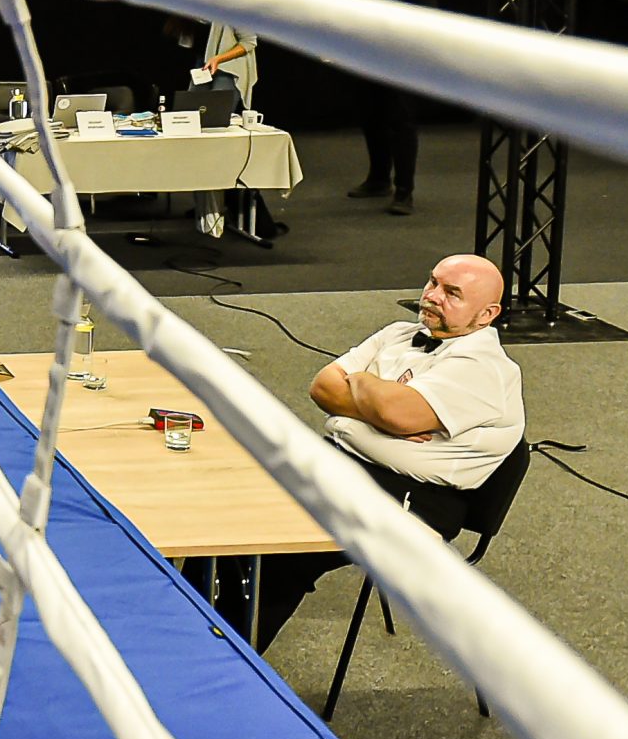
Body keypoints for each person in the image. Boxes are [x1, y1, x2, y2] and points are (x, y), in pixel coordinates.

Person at [214, 253, 522, 652]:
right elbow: (323, 388)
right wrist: (380, 411)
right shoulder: (398, 332)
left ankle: (225, 663)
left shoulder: (485, 368)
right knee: (221, 507)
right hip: (338, 463)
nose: (432, 296)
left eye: (452, 293)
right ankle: (185, 630)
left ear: (487, 315)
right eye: (432, 282)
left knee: (280, 550)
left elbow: (395, 413)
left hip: (410, 498)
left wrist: (358, 381)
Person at [337, 0, 435, 215]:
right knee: (370, 117)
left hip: (399, 55)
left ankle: (404, 191)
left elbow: (426, 10)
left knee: (401, 122)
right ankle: (379, 179)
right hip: (363, 52)